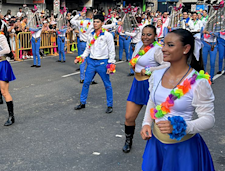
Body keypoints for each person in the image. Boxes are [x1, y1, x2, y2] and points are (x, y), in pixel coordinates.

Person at [140, 29, 215, 170]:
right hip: (156, 146)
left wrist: (182, 127)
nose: (163, 49)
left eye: (170, 45)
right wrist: (146, 123)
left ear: (186, 49)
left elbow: (209, 119)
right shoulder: (157, 74)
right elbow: (152, 101)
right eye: (163, 44)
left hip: (183, 151)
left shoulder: (199, 82)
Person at [122, 25, 169, 153]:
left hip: (150, 85)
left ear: (155, 36)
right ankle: (128, 140)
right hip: (137, 84)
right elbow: (135, 60)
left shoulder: (158, 50)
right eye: (143, 34)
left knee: (156, 119)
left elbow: (167, 65)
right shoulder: (138, 46)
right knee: (129, 117)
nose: (145, 37)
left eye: (149, 35)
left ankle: (158, 147)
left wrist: (150, 70)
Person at [74, 15, 115, 113]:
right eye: (94, 22)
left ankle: (110, 105)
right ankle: (82, 102)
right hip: (91, 62)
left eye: (97, 22)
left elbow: (111, 51)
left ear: (102, 23)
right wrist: (81, 57)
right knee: (86, 82)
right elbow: (87, 49)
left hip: (102, 63)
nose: (95, 24)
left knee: (107, 84)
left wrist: (111, 64)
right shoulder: (90, 35)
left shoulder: (107, 35)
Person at [70, 11, 94, 83]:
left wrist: (79, 14)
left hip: (81, 43)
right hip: (89, 44)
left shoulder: (81, 22)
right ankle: (91, 79)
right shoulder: (93, 23)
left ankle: (82, 78)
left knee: (81, 60)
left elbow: (71, 21)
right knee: (90, 62)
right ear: (91, 16)